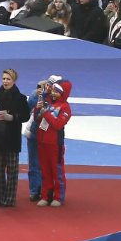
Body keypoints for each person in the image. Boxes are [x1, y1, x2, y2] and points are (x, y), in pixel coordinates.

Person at [0, 68, 31, 207]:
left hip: (11, 139)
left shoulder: (21, 98)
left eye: (8, 79)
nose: (5, 81)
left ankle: (9, 199)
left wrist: (13, 117)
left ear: (14, 80)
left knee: (12, 172)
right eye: (4, 78)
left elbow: (25, 116)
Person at [34, 77, 73, 206]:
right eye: (53, 91)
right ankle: (45, 196)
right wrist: (37, 109)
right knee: (45, 170)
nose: (53, 93)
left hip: (55, 144)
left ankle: (58, 197)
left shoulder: (65, 107)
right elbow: (37, 120)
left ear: (63, 93)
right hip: (42, 142)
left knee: (57, 171)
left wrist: (46, 113)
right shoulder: (48, 103)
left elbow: (58, 125)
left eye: (57, 91)